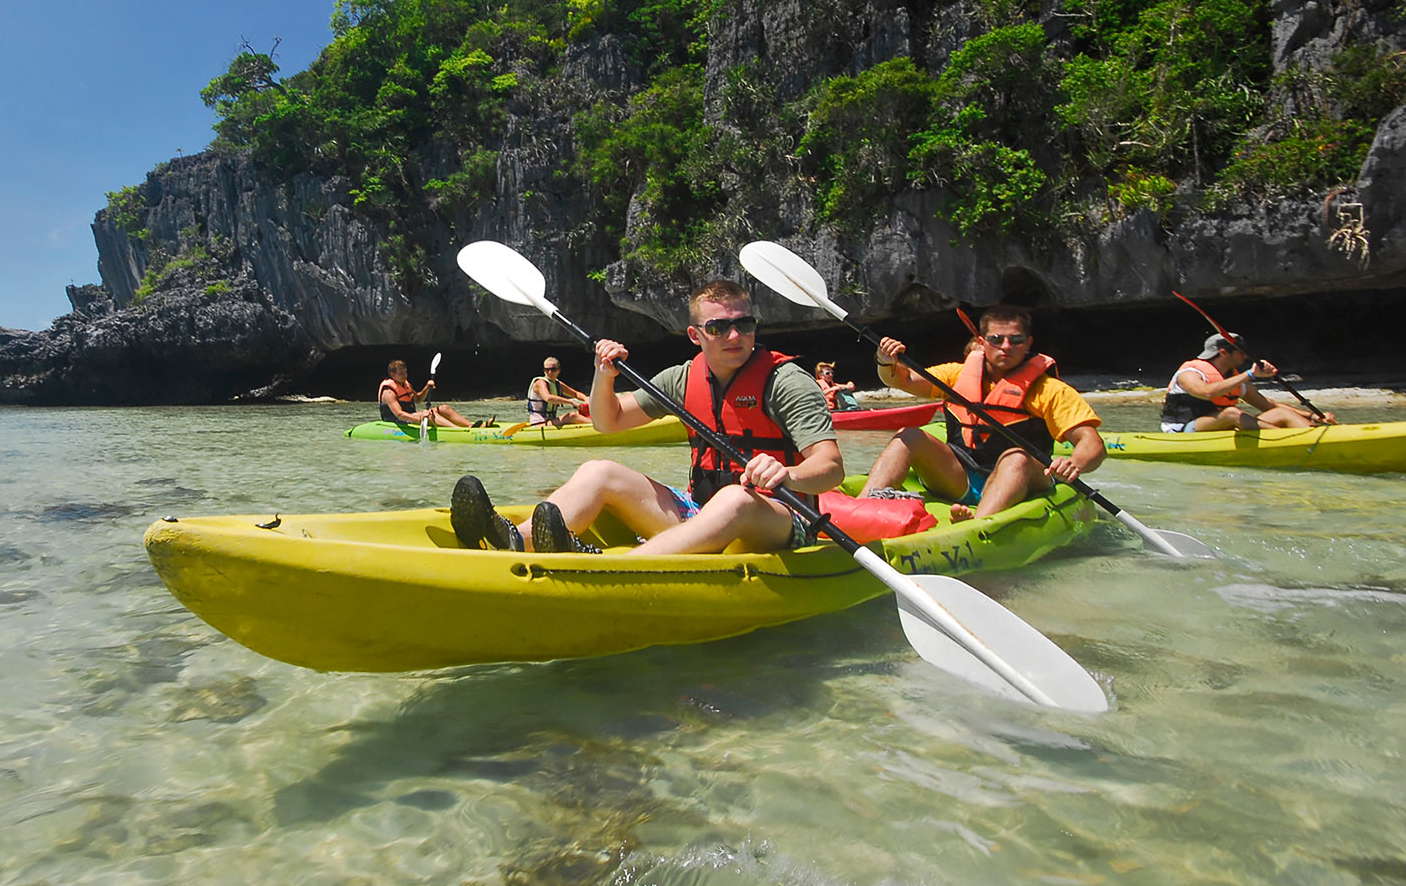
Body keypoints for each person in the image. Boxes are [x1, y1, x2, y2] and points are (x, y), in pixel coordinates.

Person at [451, 279, 843, 555]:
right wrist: (604, 375)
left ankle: (618, 568)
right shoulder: (682, 379)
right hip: (701, 512)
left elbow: (831, 468)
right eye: (719, 327)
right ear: (696, 335)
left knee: (735, 499)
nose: (734, 335)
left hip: (782, 519)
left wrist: (787, 475)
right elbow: (608, 422)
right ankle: (514, 540)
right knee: (598, 471)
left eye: (744, 324)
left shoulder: (786, 381)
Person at [860, 306, 1104, 521]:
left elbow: (1092, 443)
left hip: (1022, 478)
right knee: (909, 436)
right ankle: (862, 508)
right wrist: (885, 361)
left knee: (1016, 457)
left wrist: (1074, 464)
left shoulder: (1050, 390)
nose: (1006, 347)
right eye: (996, 339)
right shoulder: (956, 375)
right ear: (982, 341)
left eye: (1016, 340)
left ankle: (977, 526)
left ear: (1028, 343)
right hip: (960, 475)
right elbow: (902, 380)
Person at [1159, 334, 1336, 432]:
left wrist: (1312, 416)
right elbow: (1207, 392)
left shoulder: (1234, 377)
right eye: (1241, 352)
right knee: (1231, 413)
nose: (1245, 356)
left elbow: (1268, 405)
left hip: (1221, 428)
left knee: (1281, 413)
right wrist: (1250, 374)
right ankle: (1286, 438)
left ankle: (1315, 434)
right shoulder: (1190, 373)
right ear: (1224, 352)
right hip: (1183, 430)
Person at [379, 359, 475, 430]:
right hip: (399, 420)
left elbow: (418, 399)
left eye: (405, 372)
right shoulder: (388, 392)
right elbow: (399, 414)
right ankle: (457, 430)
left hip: (411, 415)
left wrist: (427, 388)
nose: (405, 375)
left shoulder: (406, 384)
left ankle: (471, 426)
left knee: (444, 408)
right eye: (401, 373)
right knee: (429, 415)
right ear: (393, 375)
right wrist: (420, 417)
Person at [526, 357, 589, 427]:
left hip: (551, 420)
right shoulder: (540, 383)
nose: (550, 372)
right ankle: (596, 426)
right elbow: (548, 398)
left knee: (578, 414)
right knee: (572, 416)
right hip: (539, 423)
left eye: (553, 369)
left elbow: (576, 394)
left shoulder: (557, 384)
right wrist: (571, 402)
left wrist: (586, 399)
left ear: (558, 370)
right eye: (547, 369)